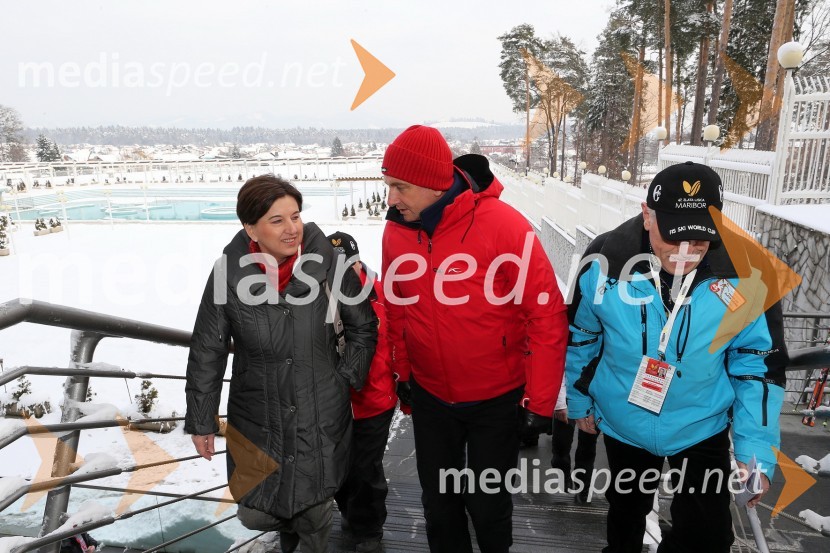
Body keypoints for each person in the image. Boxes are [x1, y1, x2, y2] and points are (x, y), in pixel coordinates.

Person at [566, 161, 788, 552]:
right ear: (646, 215)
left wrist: (755, 455)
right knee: (625, 520)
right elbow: (584, 334)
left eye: (700, 239)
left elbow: (758, 366)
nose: (685, 252)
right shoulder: (604, 260)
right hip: (624, 421)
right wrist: (580, 399)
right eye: (674, 237)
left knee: (708, 538)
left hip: (702, 425)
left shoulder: (751, 273)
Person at [380, 125, 569, 553]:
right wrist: (404, 372)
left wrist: (539, 403)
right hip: (431, 397)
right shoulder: (396, 231)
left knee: (487, 506)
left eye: (400, 187)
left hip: (495, 400)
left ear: (432, 184)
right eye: (389, 185)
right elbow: (397, 307)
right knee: (439, 506)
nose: (391, 198)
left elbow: (546, 316)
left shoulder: (503, 225)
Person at [185, 175, 378, 553]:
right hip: (258, 412)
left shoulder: (331, 262)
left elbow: (364, 327)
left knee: (316, 506)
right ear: (250, 228)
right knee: (255, 512)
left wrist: (345, 377)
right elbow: (208, 347)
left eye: (296, 216)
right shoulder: (228, 273)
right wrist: (201, 419)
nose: (292, 229)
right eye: (278, 220)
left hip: (319, 408)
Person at [327, 231, 397, 553]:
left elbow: (401, 340)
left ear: (357, 262)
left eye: (347, 266)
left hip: (376, 399)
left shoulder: (383, 295)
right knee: (341, 466)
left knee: (366, 468)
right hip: (338, 404)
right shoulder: (320, 304)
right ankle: (349, 513)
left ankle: (369, 531)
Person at [549, 379, 600, 504]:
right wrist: (560, 402)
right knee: (561, 445)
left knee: (587, 446)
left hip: (595, 395)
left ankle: (583, 488)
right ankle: (563, 472)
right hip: (567, 394)